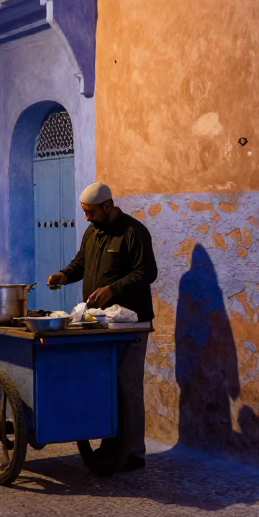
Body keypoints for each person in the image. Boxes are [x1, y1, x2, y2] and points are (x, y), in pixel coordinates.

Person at [48, 182, 158, 471]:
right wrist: (63, 274)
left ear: (107, 206)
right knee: (105, 385)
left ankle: (134, 452)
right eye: (85, 213)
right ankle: (111, 443)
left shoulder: (134, 232)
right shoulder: (92, 233)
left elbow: (147, 272)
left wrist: (113, 290)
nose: (87, 217)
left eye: (91, 212)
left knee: (127, 386)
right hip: (99, 322)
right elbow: (80, 264)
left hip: (131, 324)